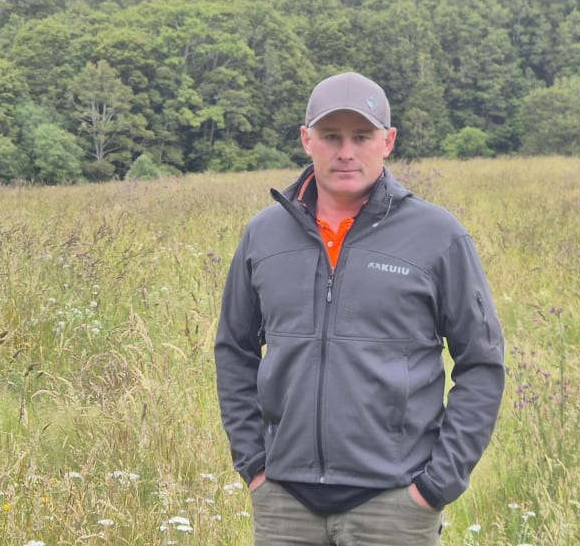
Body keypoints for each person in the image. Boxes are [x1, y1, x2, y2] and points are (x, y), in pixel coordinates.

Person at [214, 71, 505, 545]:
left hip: (394, 507)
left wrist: (435, 486)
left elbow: (482, 362)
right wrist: (254, 467)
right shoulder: (263, 236)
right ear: (306, 140)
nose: (346, 152)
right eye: (331, 136)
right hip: (285, 505)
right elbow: (234, 349)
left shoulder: (438, 236)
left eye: (362, 136)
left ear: (387, 141)